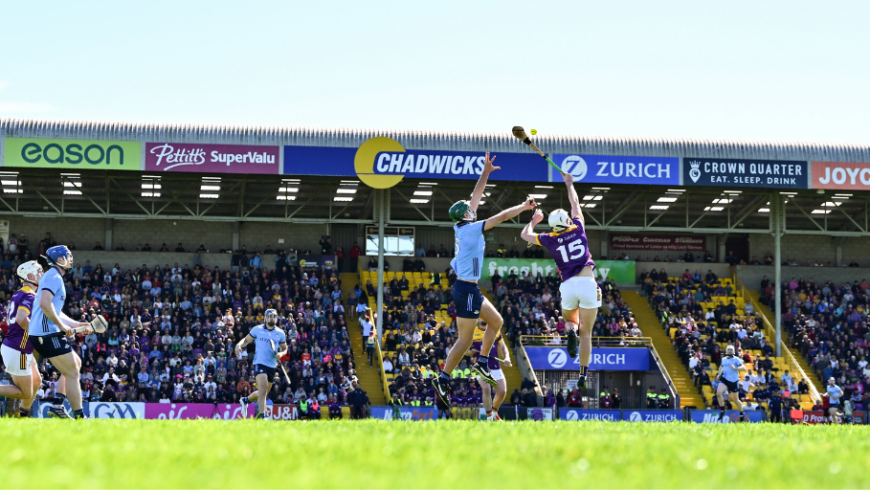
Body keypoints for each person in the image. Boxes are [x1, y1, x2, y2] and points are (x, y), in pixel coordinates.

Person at [431, 152, 536, 408]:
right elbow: (500, 217)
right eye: (469, 210)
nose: (472, 209)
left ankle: (480, 362)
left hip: (467, 288)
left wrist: (486, 172)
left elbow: (474, 197)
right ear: (465, 216)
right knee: (464, 340)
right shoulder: (471, 229)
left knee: (497, 321)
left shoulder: (463, 224)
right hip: (466, 290)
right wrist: (523, 207)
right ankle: (444, 379)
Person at [520, 171, 600, 389]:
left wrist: (534, 220)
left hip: (568, 286)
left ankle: (570, 332)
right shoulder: (578, 228)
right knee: (587, 333)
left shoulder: (550, 239)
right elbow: (575, 203)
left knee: (571, 323)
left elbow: (524, 236)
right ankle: (583, 375)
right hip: (587, 282)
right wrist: (569, 183)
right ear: (567, 220)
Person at [28, 246, 93, 419]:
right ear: (60, 259)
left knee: (75, 363)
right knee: (72, 372)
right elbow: (44, 303)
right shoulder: (54, 277)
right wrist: (63, 328)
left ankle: (58, 405)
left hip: (44, 332)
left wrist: (76, 323)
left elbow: (55, 310)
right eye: (68, 256)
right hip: (46, 334)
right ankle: (80, 416)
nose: (71, 259)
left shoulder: (53, 276)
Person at [0, 261, 44, 417]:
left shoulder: (21, 292)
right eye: (39, 272)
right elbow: (21, 318)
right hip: (18, 350)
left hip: (18, 348)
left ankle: (23, 415)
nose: (42, 274)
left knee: (37, 381)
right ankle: (22, 415)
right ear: (30, 276)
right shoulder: (29, 295)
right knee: (26, 393)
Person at [236, 309, 287, 419]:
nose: (271, 318)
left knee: (262, 393)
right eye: (269, 316)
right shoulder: (257, 330)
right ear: (265, 318)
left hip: (272, 366)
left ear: (276, 318)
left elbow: (285, 348)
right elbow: (245, 340)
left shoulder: (280, 333)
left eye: (274, 316)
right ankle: (261, 417)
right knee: (263, 389)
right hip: (260, 363)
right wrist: (238, 345)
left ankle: (245, 400)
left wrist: (281, 354)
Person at [469, 320, 511, 421]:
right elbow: (465, 351)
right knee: (486, 388)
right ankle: (489, 418)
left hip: (495, 365)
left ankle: (494, 412)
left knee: (502, 391)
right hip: (481, 366)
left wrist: (507, 357)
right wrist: (470, 352)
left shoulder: (495, 330)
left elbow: (503, 347)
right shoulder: (472, 332)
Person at [715, 345, 747, 422]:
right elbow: (721, 367)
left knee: (736, 400)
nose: (729, 351)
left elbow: (744, 368)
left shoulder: (736, 359)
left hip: (734, 381)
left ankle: (742, 413)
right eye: (728, 349)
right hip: (725, 379)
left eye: (731, 350)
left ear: (733, 351)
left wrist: (735, 368)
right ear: (726, 351)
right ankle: (723, 409)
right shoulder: (723, 359)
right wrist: (719, 375)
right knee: (718, 393)